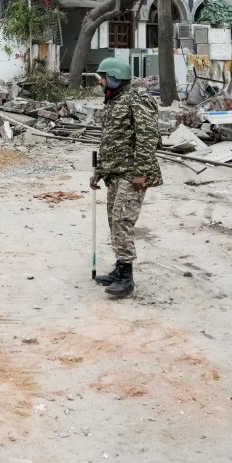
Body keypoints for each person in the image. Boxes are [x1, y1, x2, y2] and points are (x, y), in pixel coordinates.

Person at [89, 57, 161, 299]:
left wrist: (141, 172)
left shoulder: (137, 99)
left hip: (132, 174)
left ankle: (126, 278)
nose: (101, 82)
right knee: (114, 221)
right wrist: (99, 172)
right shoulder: (114, 101)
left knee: (122, 221)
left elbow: (148, 137)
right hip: (115, 173)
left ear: (114, 78)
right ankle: (120, 268)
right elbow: (109, 141)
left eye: (103, 77)